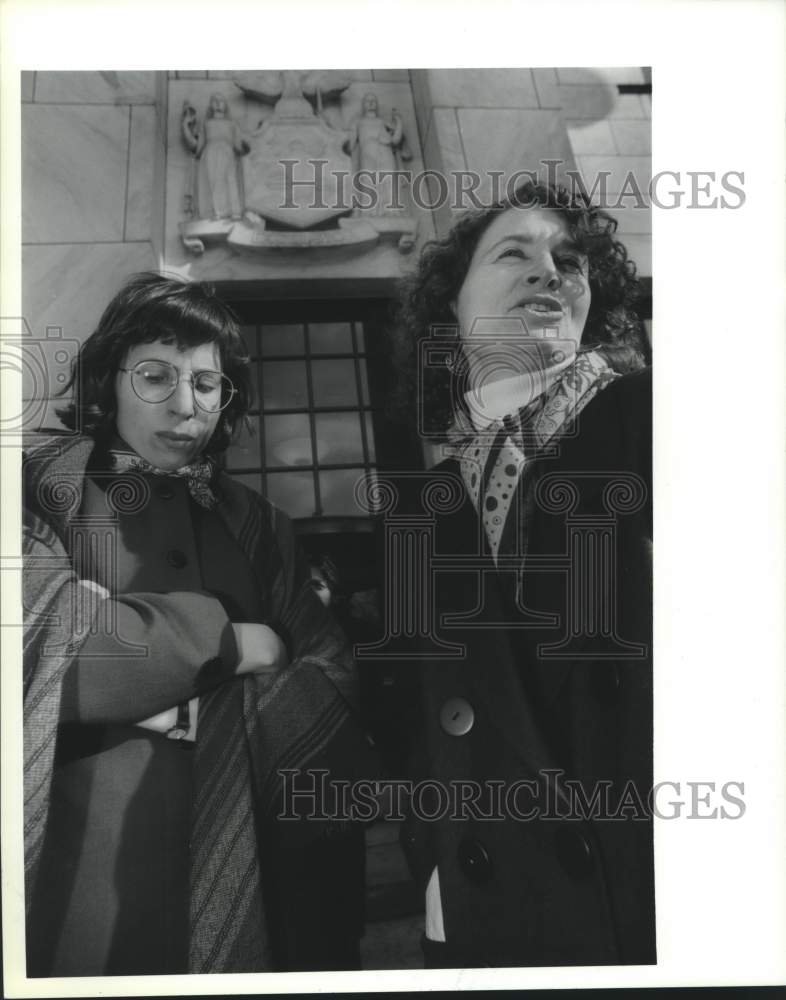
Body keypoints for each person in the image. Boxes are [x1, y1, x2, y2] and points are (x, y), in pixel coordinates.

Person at [23, 273, 375, 976]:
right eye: (156, 376)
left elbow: (333, 684)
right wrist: (239, 642)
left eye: (207, 385)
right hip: (74, 888)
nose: (186, 405)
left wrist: (156, 686)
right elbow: (40, 642)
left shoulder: (262, 526)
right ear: (107, 380)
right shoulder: (35, 486)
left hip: (265, 880)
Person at [392, 180, 653, 967]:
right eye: (515, 253)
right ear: (452, 306)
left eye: (568, 260)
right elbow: (410, 705)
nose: (551, 270)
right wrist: (435, 866)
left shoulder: (656, 414)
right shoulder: (425, 506)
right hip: (491, 903)